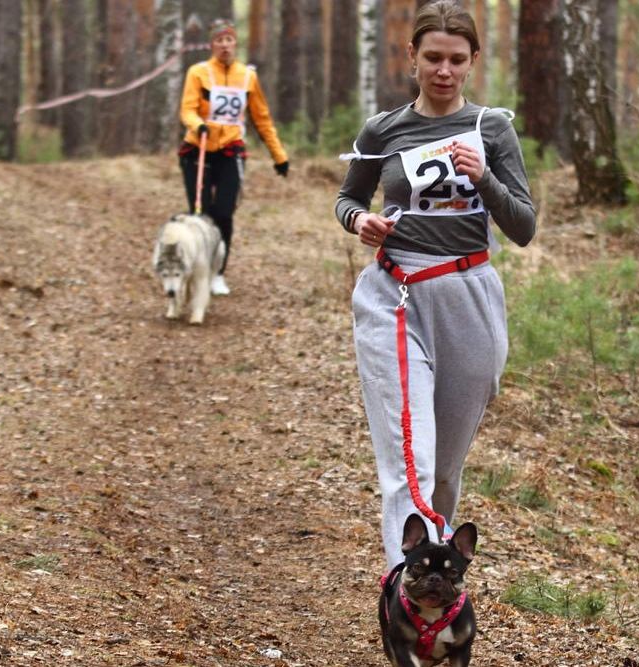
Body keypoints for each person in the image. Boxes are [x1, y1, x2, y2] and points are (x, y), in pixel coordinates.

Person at [335, 0, 536, 568]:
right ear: (412, 57)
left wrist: (486, 178)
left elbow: (523, 226)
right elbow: (348, 197)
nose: (443, 71)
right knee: (410, 464)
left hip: (469, 297)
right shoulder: (385, 129)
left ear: (472, 60)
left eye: (455, 59)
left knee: (444, 470)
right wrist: (359, 221)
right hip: (394, 296)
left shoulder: (490, 127)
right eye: (432, 58)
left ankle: (436, 573)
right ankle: (406, 591)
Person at [178, 18, 289, 296]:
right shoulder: (198, 72)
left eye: (229, 40)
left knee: (224, 213)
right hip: (198, 148)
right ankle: (196, 267)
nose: (224, 45)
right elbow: (187, 109)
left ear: (235, 43)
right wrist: (197, 124)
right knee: (199, 212)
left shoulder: (248, 76)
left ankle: (217, 272)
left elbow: (261, 119)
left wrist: (279, 156)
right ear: (211, 44)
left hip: (231, 152)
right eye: (219, 40)